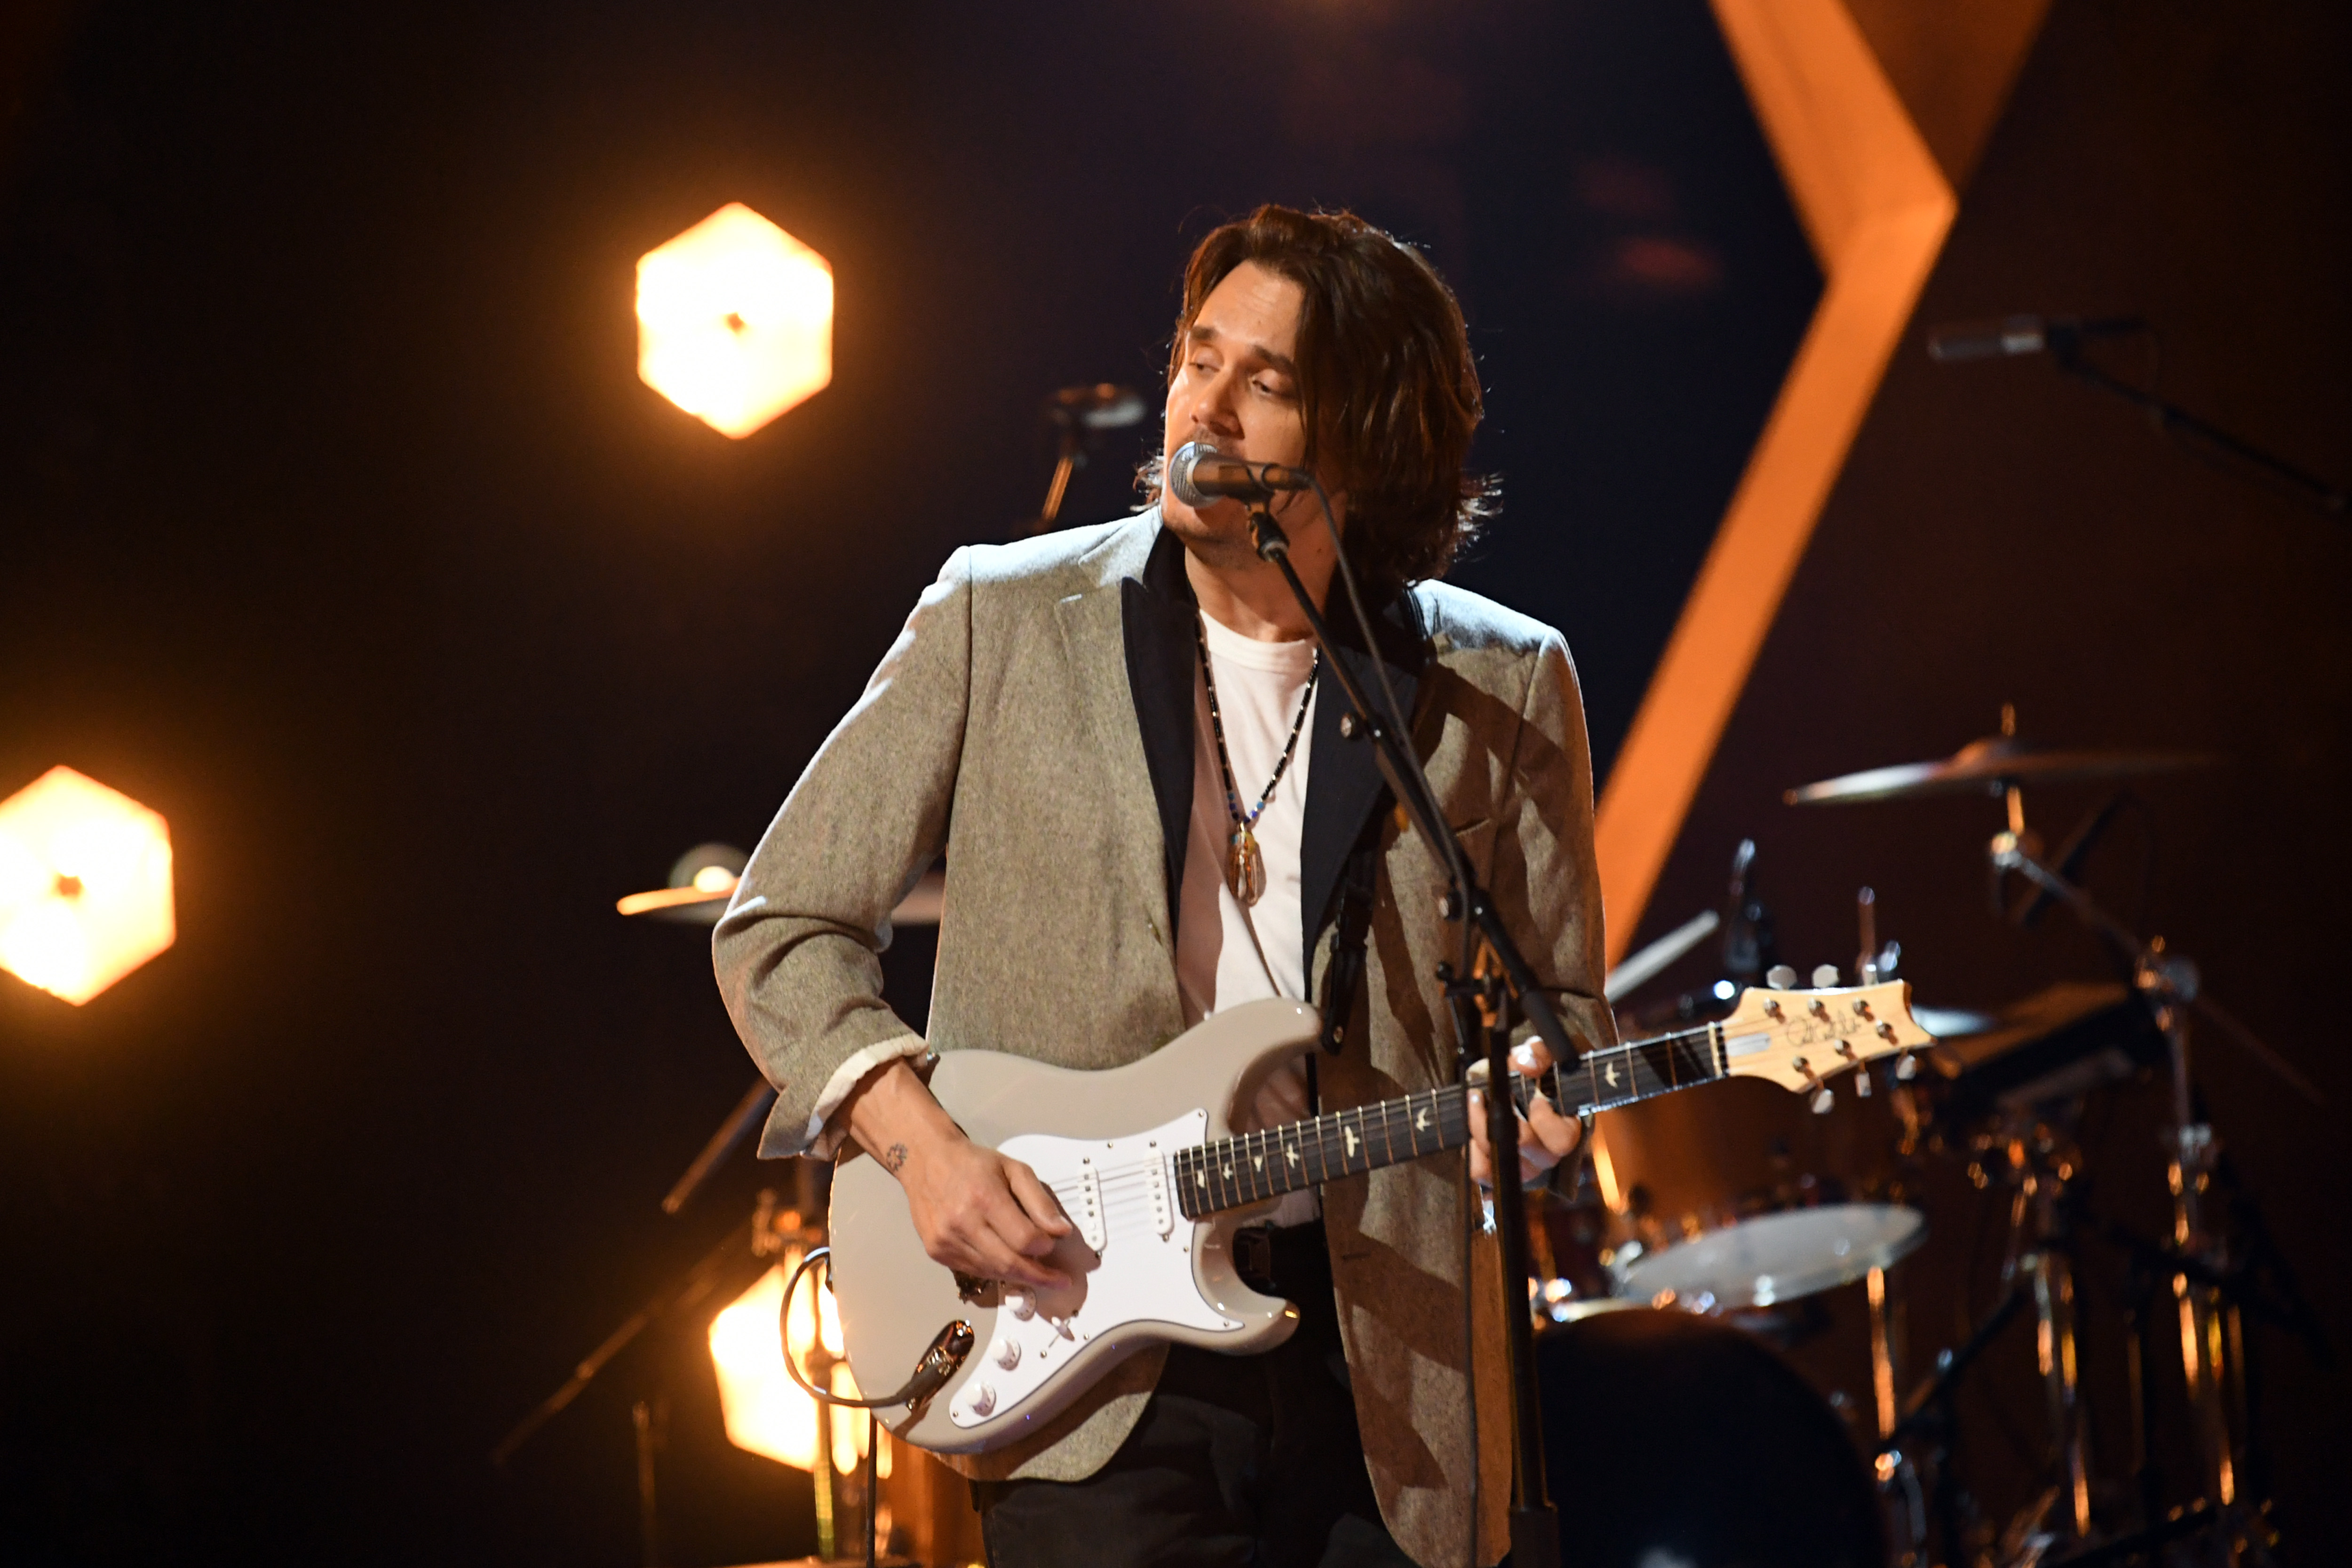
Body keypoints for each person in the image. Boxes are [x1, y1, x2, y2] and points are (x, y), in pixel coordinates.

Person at [714, 204, 1613, 1568]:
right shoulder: (999, 617)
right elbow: (782, 928)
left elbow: (1566, 1010)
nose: (1210, 408)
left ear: (1366, 443)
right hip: (1081, 1348)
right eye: (1202, 359)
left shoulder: (1505, 683)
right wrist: (922, 1147)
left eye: (1272, 384)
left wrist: (1547, 1097)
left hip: (1392, 1359)